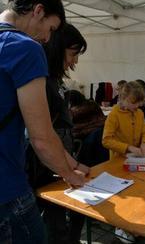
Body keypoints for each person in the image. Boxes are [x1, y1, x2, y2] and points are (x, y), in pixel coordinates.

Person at [0, 0, 85, 243]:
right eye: (50, 29)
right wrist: (71, 176)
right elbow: (41, 137)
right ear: (38, 11)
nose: (48, 39)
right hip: (7, 189)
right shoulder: (26, 48)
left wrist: (70, 163)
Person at [41, 23, 90, 244]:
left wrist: (71, 165)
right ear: (56, 48)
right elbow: (44, 135)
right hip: (46, 169)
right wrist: (72, 167)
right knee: (55, 228)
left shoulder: (54, 79)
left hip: (59, 163)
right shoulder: (42, 82)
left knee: (61, 223)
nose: (75, 61)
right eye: (73, 54)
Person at [102, 81, 145, 160]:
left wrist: (144, 143)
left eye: (139, 103)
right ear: (123, 98)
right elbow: (106, 140)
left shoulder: (140, 113)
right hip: (119, 159)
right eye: (133, 102)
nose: (137, 106)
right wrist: (128, 147)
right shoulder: (114, 114)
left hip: (137, 156)